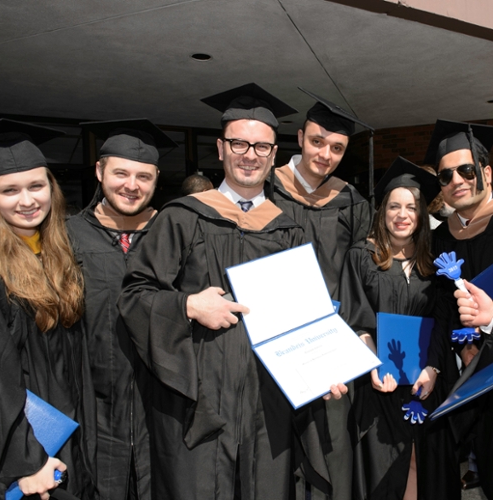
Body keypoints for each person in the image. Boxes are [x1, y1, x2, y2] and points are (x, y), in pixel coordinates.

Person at [117, 83, 333, 499]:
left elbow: (309, 312)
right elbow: (134, 294)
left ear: (274, 155)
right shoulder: (182, 219)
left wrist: (322, 368)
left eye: (261, 146)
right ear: (220, 148)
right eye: (239, 143)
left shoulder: (290, 228)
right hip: (199, 402)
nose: (249, 154)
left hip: (267, 403)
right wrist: (187, 306)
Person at [270, 88, 374, 500]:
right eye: (317, 142)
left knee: (333, 445)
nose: (325, 154)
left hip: (328, 343)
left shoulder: (350, 201)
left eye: (336, 147)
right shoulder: (265, 189)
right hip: (272, 341)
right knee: (274, 448)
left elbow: (360, 276)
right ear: (299, 138)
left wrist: (362, 331)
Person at [67, 119, 177, 500]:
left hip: (163, 407)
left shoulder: (176, 234)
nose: (132, 185)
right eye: (121, 173)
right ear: (99, 171)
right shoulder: (65, 237)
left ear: (156, 179)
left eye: (143, 176)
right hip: (91, 405)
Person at [339, 157, 460, 499]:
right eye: (394, 206)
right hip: (380, 383)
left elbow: (442, 319)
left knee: (423, 464)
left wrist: (434, 368)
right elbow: (355, 317)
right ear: (383, 212)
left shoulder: (434, 261)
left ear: (422, 215)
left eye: (411, 207)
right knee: (385, 469)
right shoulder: (362, 257)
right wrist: (372, 363)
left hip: (426, 381)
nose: (402, 214)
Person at [0, 119, 96, 499]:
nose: (26, 200)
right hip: (30, 452)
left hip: (69, 433)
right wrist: (26, 461)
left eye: (36, 186)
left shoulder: (60, 253)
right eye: (9, 190)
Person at [419, 119, 493, 496]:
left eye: (466, 170)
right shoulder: (437, 239)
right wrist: (432, 365)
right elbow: (436, 311)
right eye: (445, 176)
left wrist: (492, 320)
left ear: (486, 172)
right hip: (455, 382)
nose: (456, 181)